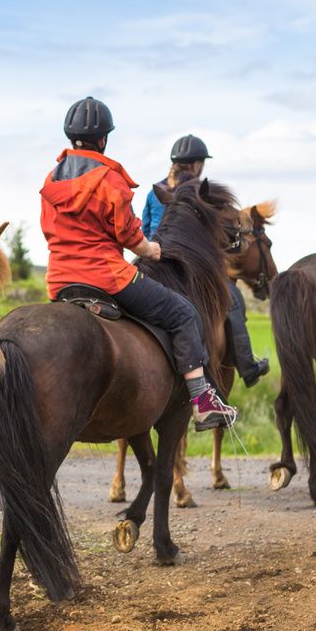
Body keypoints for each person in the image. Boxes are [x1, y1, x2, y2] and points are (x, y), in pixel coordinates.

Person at [40, 97, 237, 431]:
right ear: (103, 139)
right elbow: (129, 233)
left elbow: (48, 230)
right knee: (183, 313)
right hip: (107, 277)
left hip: (60, 281)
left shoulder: (52, 180)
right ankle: (203, 403)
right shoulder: (109, 179)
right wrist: (151, 251)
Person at [141, 134, 270, 388]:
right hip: (191, 266)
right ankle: (248, 366)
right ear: (197, 164)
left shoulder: (154, 192)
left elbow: (146, 229)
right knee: (233, 299)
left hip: (155, 261)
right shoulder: (201, 192)